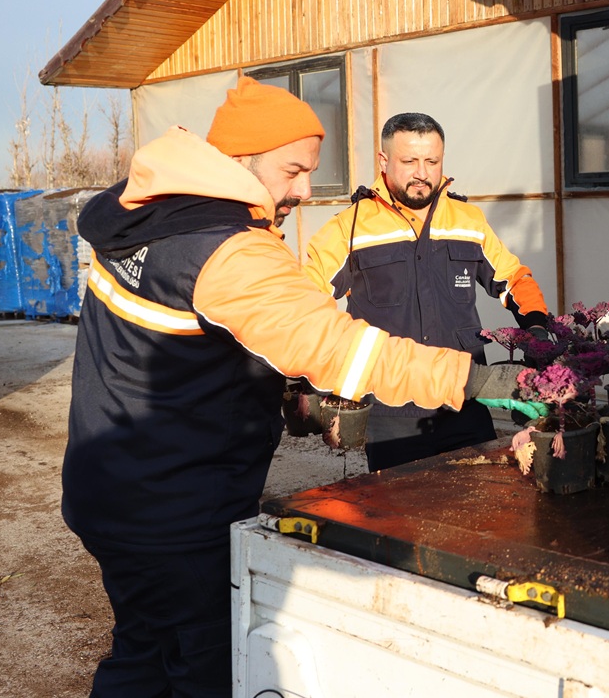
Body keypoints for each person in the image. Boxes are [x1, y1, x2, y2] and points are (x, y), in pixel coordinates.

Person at [62, 77, 524, 698]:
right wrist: (482, 379)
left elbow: (193, 348)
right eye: (294, 171)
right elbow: (339, 348)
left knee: (142, 650)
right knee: (203, 667)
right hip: (175, 511)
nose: (305, 191)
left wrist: (286, 400)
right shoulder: (225, 249)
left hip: (110, 490)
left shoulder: (149, 217)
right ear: (242, 159)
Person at [304, 112, 551, 472]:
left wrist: (537, 327)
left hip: (465, 400)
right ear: (384, 161)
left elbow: (513, 278)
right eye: (409, 161)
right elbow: (306, 299)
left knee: (479, 498)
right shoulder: (350, 228)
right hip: (392, 410)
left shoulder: (468, 220)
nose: (422, 172)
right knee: (399, 503)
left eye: (432, 161)